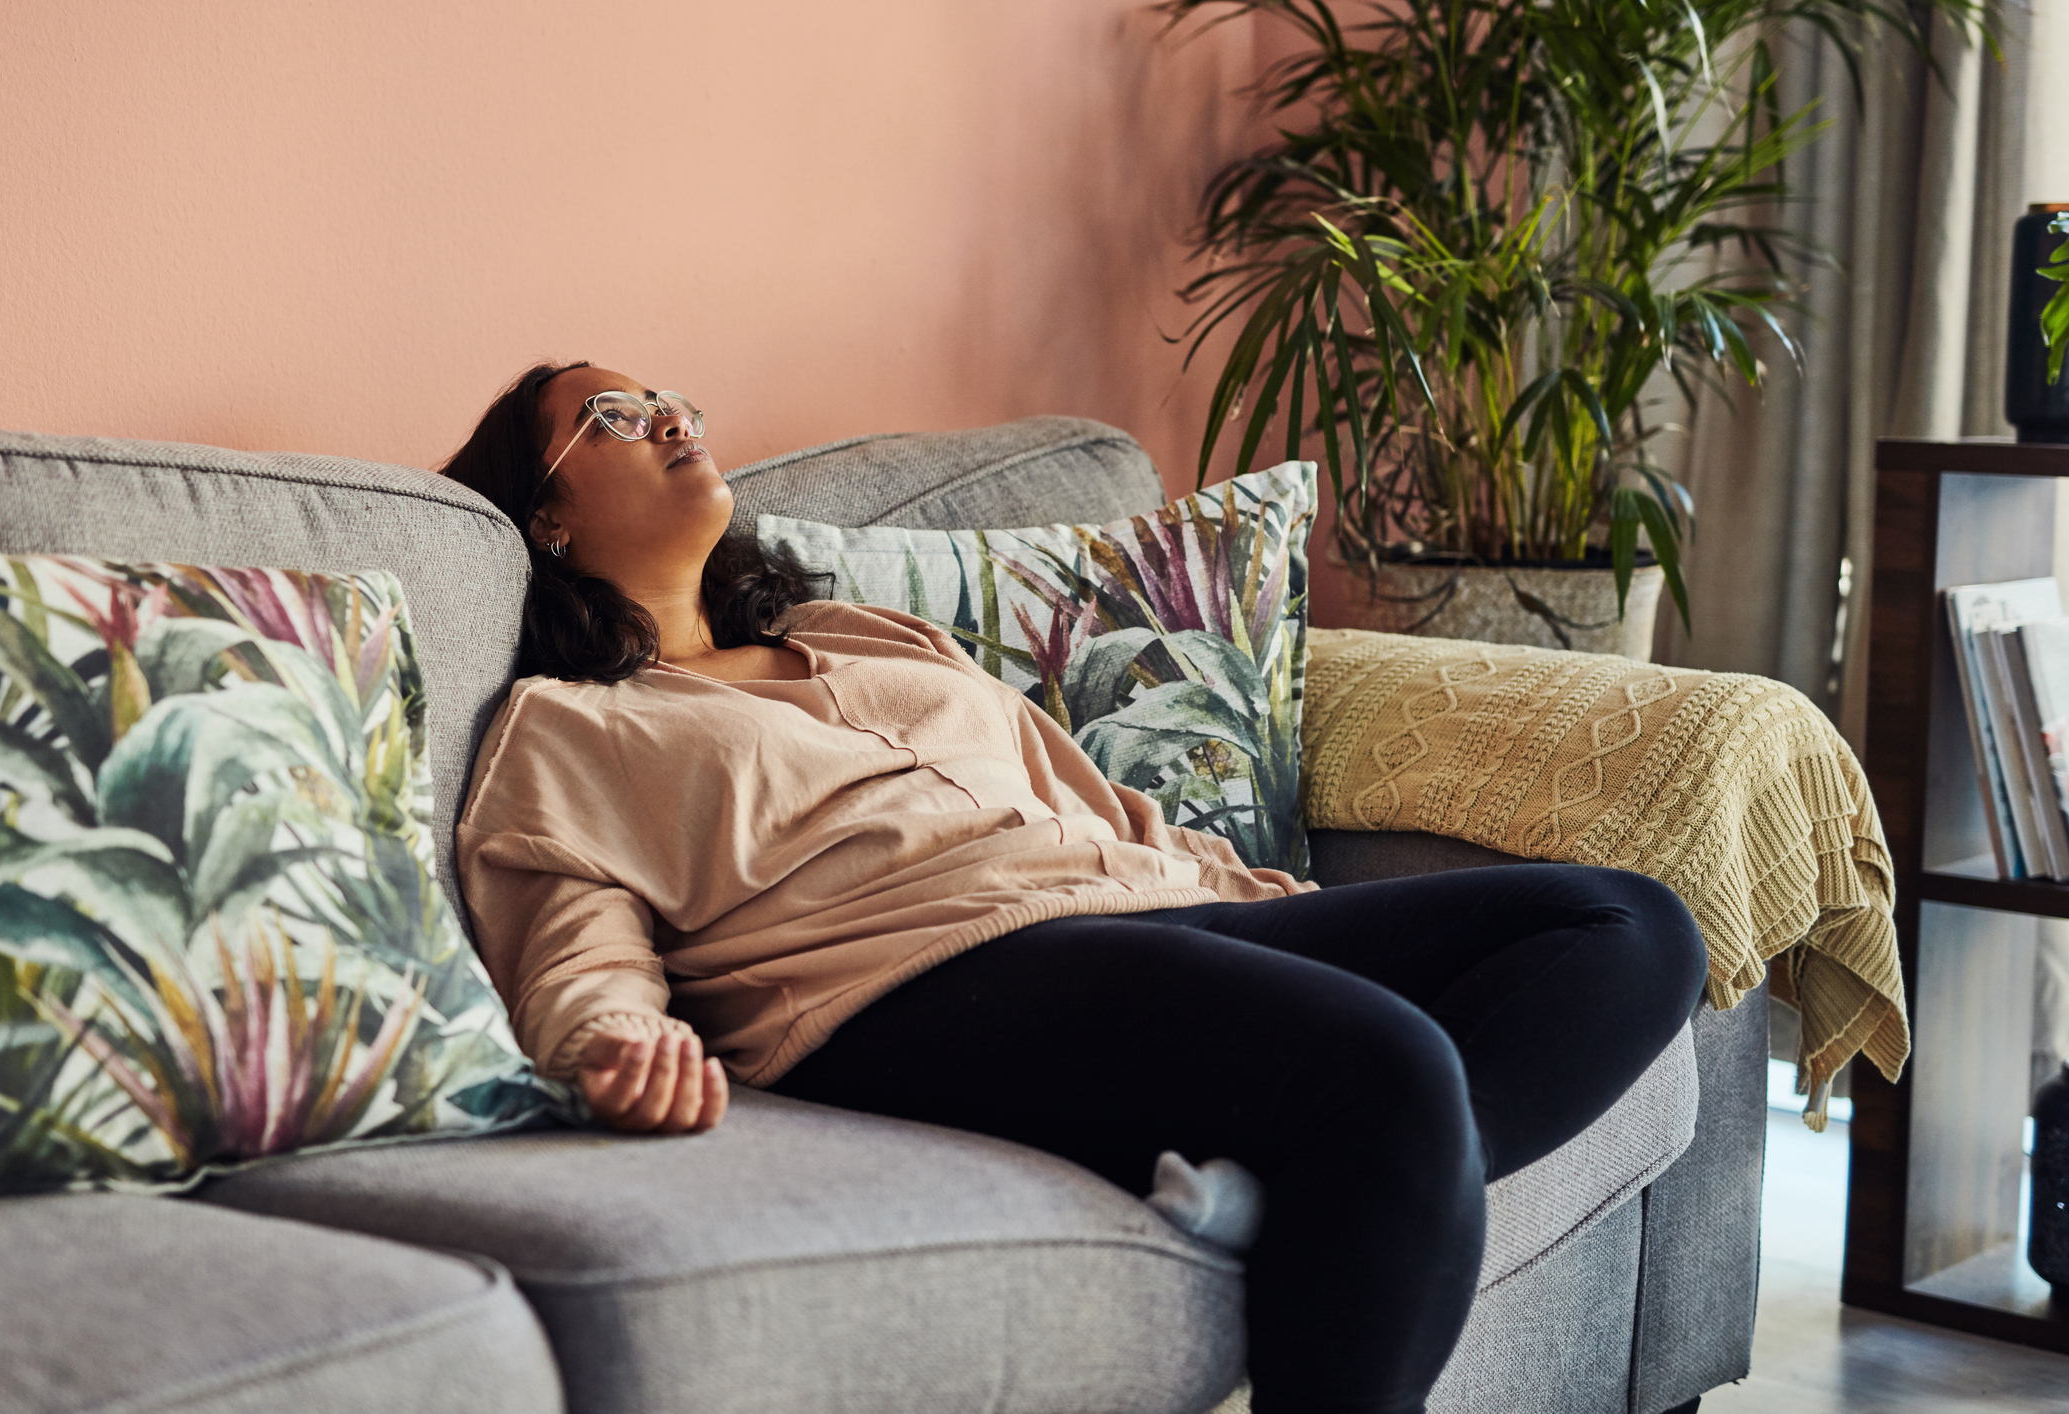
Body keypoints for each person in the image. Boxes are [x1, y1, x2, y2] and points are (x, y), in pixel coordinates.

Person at [441, 361, 1708, 1414]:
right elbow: (571, 935)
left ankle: (1325, 1185)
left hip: (1139, 910)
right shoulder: (570, 725)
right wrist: (613, 1042)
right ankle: (1355, 1165)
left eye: (671, 395)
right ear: (545, 516)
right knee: (1391, 1071)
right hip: (919, 981)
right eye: (613, 415)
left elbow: (1089, 800)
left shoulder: (871, 638)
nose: (674, 415)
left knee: (1629, 923)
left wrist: (1272, 907)